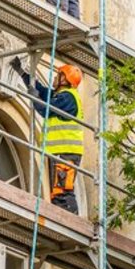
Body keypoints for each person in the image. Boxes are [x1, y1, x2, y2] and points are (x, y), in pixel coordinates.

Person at [12, 58, 84, 214]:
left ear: (66, 79)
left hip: (66, 153)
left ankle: (71, 222)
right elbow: (42, 91)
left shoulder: (68, 97)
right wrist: (22, 73)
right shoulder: (61, 96)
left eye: (59, 75)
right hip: (61, 152)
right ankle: (64, 219)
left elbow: (45, 109)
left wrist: (35, 98)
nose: (55, 78)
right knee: (58, 192)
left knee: (62, 192)